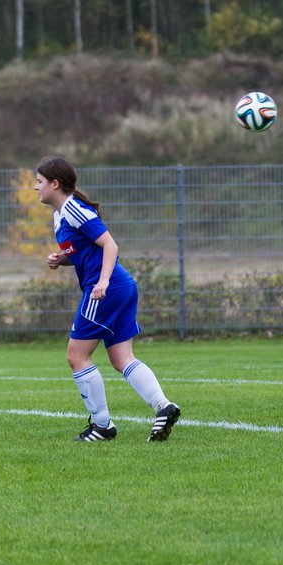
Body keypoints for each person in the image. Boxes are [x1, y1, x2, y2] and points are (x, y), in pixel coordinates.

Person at [35, 155, 181, 442]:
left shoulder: (73, 209)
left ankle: (102, 425)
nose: (34, 187)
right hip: (121, 286)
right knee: (121, 357)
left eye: (39, 182)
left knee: (76, 355)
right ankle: (164, 407)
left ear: (54, 184)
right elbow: (85, 252)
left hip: (106, 288)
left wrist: (102, 281)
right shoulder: (59, 215)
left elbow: (109, 244)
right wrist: (62, 259)